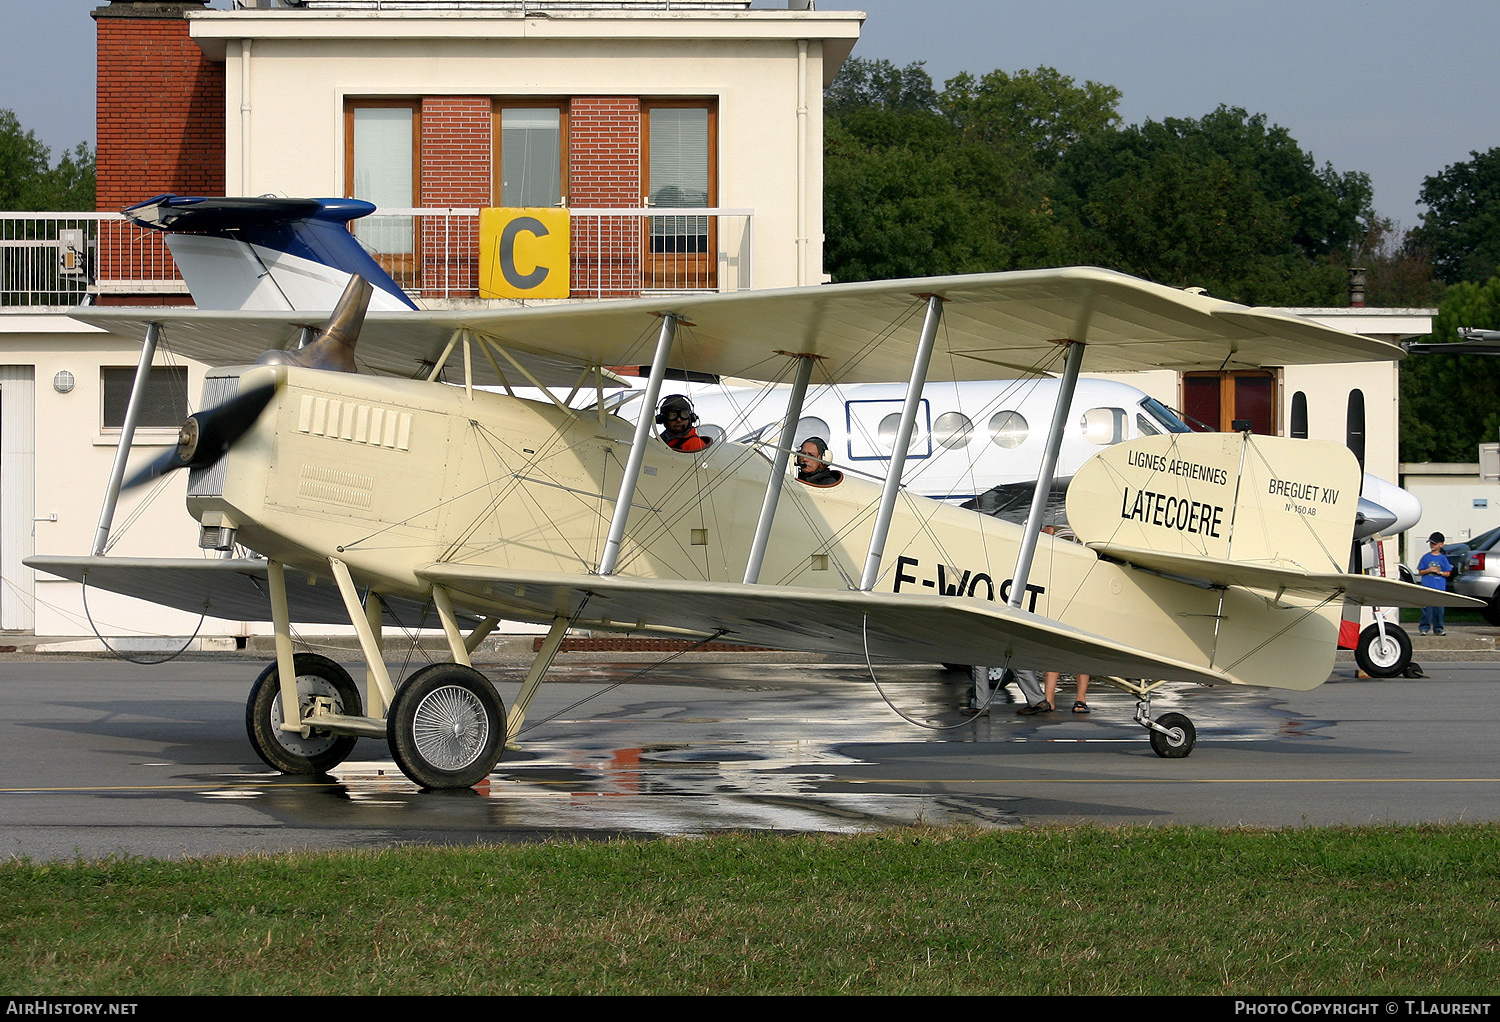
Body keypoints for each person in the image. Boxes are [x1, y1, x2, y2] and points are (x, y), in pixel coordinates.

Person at [1417, 531, 1453, 636]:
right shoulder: (1426, 557)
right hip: (1427, 587)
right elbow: (1421, 571)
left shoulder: (1443, 558)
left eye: (1434, 543)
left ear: (1441, 545)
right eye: (1431, 543)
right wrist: (1429, 570)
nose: (1432, 545)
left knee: (1439, 610)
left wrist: (1439, 572)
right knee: (1427, 610)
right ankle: (1424, 628)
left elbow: (1448, 573)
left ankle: (1438, 628)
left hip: (1439, 588)